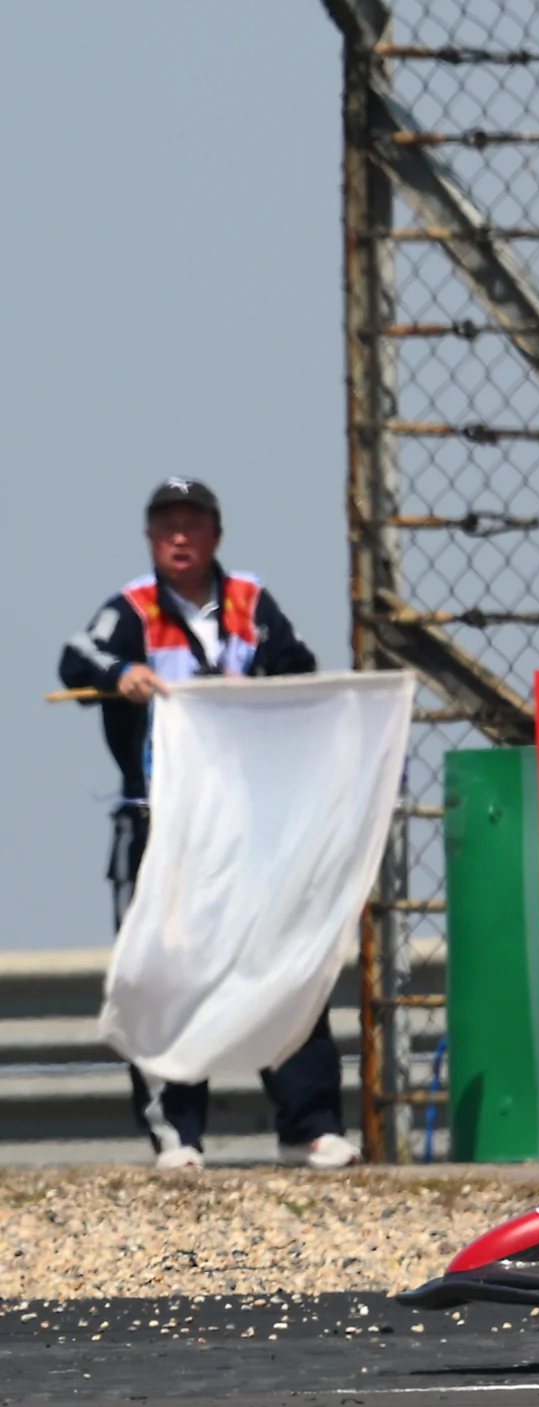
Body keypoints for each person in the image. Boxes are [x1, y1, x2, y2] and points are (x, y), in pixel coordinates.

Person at [57, 478, 356, 1170]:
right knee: (164, 974)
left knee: (282, 959)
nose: (180, 538)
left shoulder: (251, 602)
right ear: (149, 538)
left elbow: (297, 669)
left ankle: (307, 1127)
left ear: (217, 534)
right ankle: (177, 1134)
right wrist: (124, 675)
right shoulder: (130, 608)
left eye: (193, 524)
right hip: (164, 828)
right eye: (167, 526)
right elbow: (78, 659)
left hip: (253, 827)